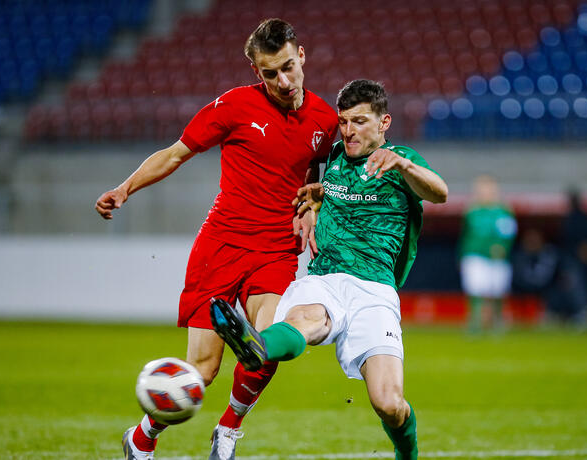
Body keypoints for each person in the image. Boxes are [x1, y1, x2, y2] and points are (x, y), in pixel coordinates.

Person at [94, 19, 339, 460]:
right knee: (204, 371)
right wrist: (125, 188)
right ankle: (142, 437)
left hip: (277, 248)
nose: (283, 81)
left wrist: (313, 206)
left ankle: (227, 430)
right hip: (222, 246)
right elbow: (175, 153)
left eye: (288, 67)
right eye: (270, 73)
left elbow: (314, 175)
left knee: (266, 344)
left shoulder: (325, 119)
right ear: (254, 70)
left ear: (301, 56)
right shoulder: (233, 106)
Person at [210, 79, 448, 460]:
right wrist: (312, 199)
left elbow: (439, 192)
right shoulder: (335, 155)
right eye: (344, 122)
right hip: (326, 277)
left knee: (389, 403)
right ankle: (259, 346)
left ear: (384, 122)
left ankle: (409, 457)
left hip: (375, 289)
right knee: (309, 318)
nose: (349, 131)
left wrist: (403, 164)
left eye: (359, 121)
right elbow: (318, 184)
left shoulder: (402, 161)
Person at [458, 175, 517, 333]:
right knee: (475, 288)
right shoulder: (472, 211)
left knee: (498, 289)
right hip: (475, 254)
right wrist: (462, 254)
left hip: (497, 258)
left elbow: (509, 233)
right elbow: (465, 235)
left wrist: (502, 247)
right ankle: (475, 322)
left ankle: (497, 321)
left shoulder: (503, 211)